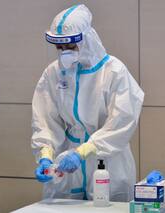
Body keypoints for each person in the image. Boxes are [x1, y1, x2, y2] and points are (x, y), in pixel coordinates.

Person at [32, 4, 144, 201]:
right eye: (59, 47)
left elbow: (121, 123)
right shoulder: (53, 73)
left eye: (70, 46)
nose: (64, 53)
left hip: (107, 161)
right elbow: (44, 119)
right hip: (66, 164)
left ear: (87, 40)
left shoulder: (114, 71)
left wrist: (83, 152)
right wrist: (46, 153)